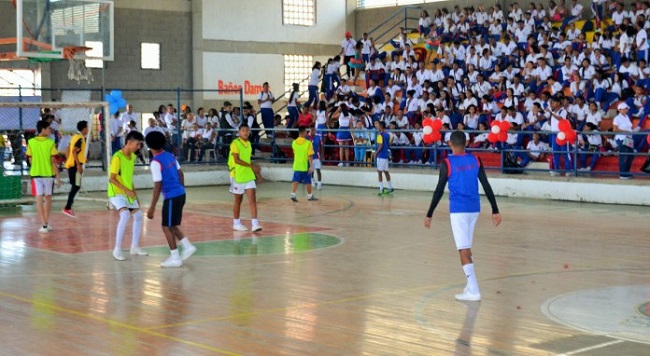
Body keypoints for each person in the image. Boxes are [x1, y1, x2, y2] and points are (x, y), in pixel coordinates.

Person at [424, 131, 501, 301]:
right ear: (465, 143)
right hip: (474, 208)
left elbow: (439, 189)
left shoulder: (447, 162)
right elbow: (486, 185)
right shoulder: (475, 159)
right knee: (467, 246)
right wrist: (495, 210)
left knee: (463, 250)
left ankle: (474, 290)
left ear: (450, 143)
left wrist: (430, 213)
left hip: (459, 210)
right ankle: (470, 286)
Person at [145, 131, 197, 267]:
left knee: (166, 227)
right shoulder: (170, 155)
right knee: (172, 224)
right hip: (180, 193)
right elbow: (180, 173)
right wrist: (182, 189)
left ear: (148, 145)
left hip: (172, 196)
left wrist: (151, 208)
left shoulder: (155, 162)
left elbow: (158, 185)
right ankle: (187, 246)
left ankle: (175, 257)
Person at [107, 131, 148, 261]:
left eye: (140, 144)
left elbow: (128, 178)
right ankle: (117, 249)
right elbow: (112, 179)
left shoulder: (132, 157)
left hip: (128, 192)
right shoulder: (117, 157)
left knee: (139, 215)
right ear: (129, 143)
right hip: (116, 192)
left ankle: (134, 247)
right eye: (137, 144)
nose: (139, 147)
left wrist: (134, 194)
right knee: (125, 215)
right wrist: (127, 191)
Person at [26, 120, 61, 233]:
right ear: (43, 129)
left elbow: (30, 159)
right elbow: (53, 161)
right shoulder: (50, 143)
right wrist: (58, 177)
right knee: (48, 199)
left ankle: (44, 224)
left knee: (39, 199)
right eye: (48, 128)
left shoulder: (31, 142)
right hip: (48, 175)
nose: (50, 130)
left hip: (36, 174)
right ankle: (46, 222)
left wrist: (36, 165)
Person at [229, 124, 263, 231]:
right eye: (243, 130)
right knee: (238, 200)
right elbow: (236, 160)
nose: (245, 132)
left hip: (248, 174)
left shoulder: (248, 144)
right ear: (239, 132)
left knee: (252, 198)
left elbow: (248, 161)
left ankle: (255, 223)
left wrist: (258, 174)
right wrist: (251, 166)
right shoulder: (235, 143)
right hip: (237, 174)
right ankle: (236, 222)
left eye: (247, 130)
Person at [62, 120, 89, 218]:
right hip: (74, 166)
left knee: (76, 185)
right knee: (76, 185)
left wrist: (67, 160)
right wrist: (78, 165)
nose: (88, 128)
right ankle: (67, 207)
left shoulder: (75, 137)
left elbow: (68, 149)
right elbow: (73, 151)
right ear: (84, 128)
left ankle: (68, 207)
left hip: (72, 164)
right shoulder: (80, 139)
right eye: (87, 127)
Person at [290, 126, 317, 202]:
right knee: (308, 181)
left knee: (295, 180)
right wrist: (311, 166)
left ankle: (293, 194)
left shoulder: (294, 143)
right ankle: (310, 196)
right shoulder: (308, 143)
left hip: (297, 165)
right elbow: (310, 155)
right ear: (304, 133)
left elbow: (295, 153)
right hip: (305, 166)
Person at [613, 102, 635, 179]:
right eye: (625, 108)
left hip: (628, 138)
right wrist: (625, 132)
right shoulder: (617, 118)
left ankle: (626, 172)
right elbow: (615, 129)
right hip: (622, 138)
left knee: (631, 155)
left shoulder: (627, 117)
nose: (626, 110)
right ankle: (622, 174)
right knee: (623, 155)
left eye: (626, 108)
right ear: (620, 109)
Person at [373, 121, 393, 195]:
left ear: (381, 126)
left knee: (379, 172)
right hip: (386, 156)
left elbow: (380, 146)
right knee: (386, 171)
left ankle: (381, 189)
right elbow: (388, 145)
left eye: (378, 126)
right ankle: (390, 187)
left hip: (381, 156)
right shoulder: (387, 134)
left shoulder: (379, 135)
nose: (377, 127)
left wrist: (376, 153)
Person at [309, 125, 323, 190]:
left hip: (317, 156)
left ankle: (319, 184)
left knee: (318, 170)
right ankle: (312, 180)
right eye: (312, 130)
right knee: (311, 171)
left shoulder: (318, 137)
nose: (313, 132)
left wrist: (321, 155)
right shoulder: (307, 138)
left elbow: (321, 146)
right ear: (309, 131)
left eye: (314, 130)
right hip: (310, 157)